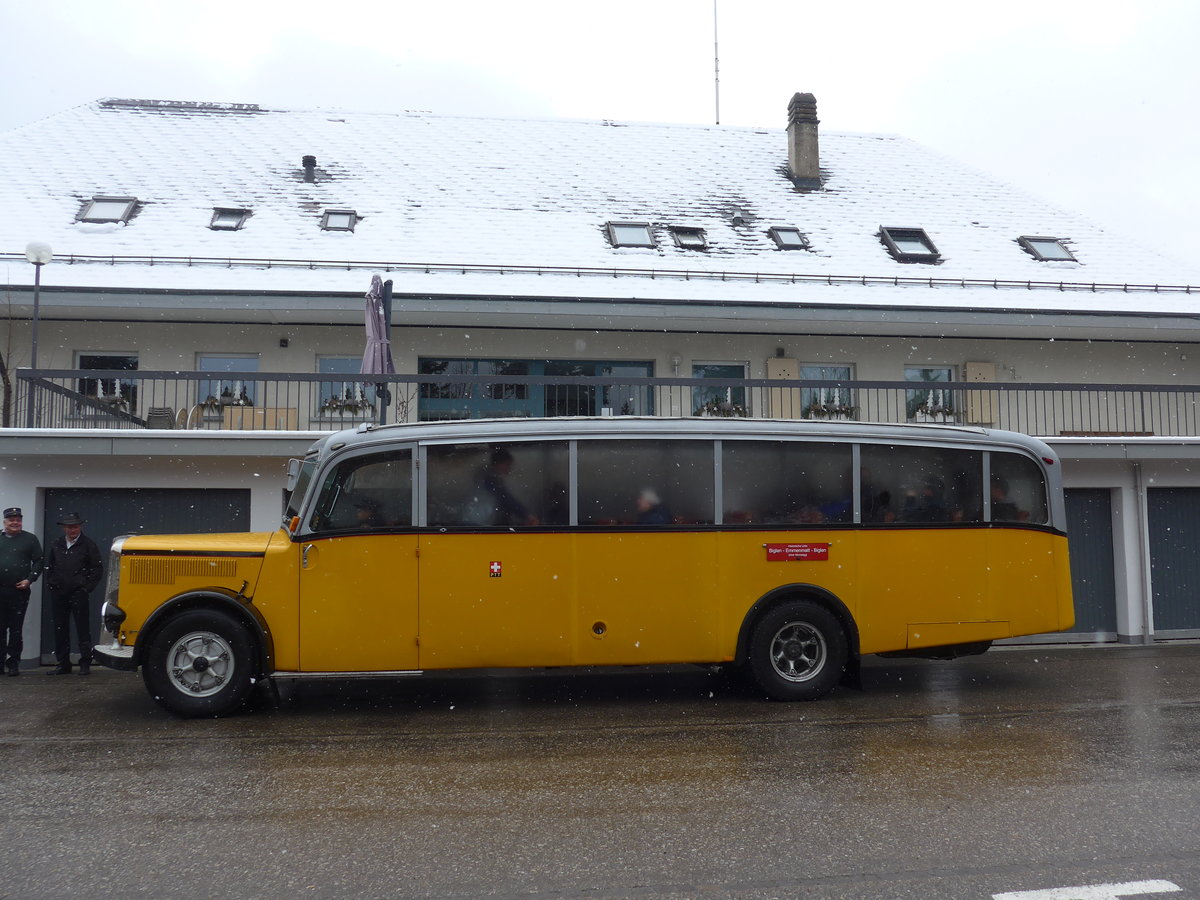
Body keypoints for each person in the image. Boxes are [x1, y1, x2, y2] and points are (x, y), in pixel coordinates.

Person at [44, 512, 104, 676]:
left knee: (82, 628)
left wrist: (86, 587)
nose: (72, 530)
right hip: (59, 593)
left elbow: (97, 569)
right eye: (69, 527)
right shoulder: (57, 543)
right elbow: (51, 565)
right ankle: (63, 664)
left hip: (78, 593)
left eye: (75, 526)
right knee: (60, 629)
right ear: (64, 528)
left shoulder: (88, 545)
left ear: (80, 527)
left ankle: (85, 663)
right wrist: (52, 582)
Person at [0, 507, 43, 677]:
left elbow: (39, 561)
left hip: (18, 591)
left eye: (18, 519)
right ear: (5, 522)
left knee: (16, 629)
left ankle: (13, 663)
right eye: (11, 520)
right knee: (0, 629)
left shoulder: (30, 539)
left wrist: (29, 579)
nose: (15, 522)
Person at [474, 447, 539, 526]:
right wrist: (527, 516)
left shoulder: (491, 478)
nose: (509, 469)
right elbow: (505, 499)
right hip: (478, 525)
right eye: (507, 465)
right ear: (499, 464)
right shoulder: (489, 480)